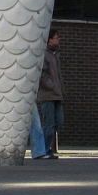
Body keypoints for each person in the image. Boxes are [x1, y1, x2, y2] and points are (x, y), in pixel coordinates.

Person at [37, 29, 64, 159]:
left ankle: (46, 149)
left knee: (58, 122)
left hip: (57, 95)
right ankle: (43, 150)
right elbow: (42, 75)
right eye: (56, 37)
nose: (59, 39)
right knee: (49, 124)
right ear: (49, 40)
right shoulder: (45, 55)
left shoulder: (55, 55)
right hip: (47, 95)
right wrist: (52, 86)